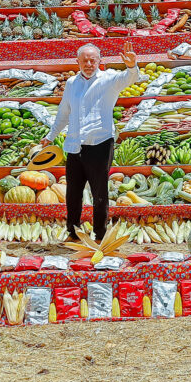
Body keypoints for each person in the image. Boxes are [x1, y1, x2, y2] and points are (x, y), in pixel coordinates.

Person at [42, 39, 140, 243]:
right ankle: (73, 232)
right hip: (75, 145)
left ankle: (99, 235)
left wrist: (131, 65)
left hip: (100, 143)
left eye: (92, 60)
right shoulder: (71, 84)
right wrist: (51, 136)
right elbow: (63, 113)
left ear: (99, 61)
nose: (88, 64)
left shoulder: (108, 79)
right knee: (73, 193)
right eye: (85, 60)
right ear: (77, 61)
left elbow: (129, 78)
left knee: (100, 193)